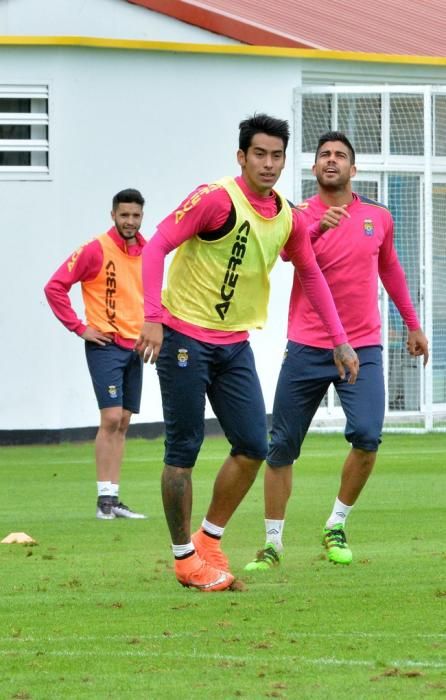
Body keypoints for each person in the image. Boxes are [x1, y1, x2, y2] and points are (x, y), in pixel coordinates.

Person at [135, 115, 359, 592]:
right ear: (242, 157)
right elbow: (156, 247)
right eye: (259, 153)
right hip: (183, 337)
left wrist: (340, 339)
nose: (268, 163)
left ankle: (209, 539)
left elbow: (312, 274)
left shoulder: (287, 216)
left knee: (256, 445)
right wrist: (152, 316)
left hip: (234, 343)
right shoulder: (215, 199)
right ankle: (184, 559)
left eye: (277, 155)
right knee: (184, 449)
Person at [245, 131, 429, 571]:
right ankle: (272, 544)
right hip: (307, 345)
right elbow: (283, 258)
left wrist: (413, 324)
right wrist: (312, 229)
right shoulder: (295, 215)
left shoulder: (378, 217)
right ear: (313, 168)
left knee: (367, 436)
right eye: (324, 155)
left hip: (363, 345)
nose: (331, 161)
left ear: (353, 168)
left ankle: (336, 524)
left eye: (340, 156)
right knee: (281, 447)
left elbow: (390, 269)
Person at [44, 188, 148, 521]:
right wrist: (79, 327)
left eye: (136, 215)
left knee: (125, 423)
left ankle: (113, 498)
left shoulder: (148, 251)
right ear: (113, 215)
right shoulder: (95, 249)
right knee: (111, 418)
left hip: (136, 347)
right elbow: (55, 286)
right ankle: (104, 500)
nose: (130, 221)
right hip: (106, 345)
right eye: (124, 215)